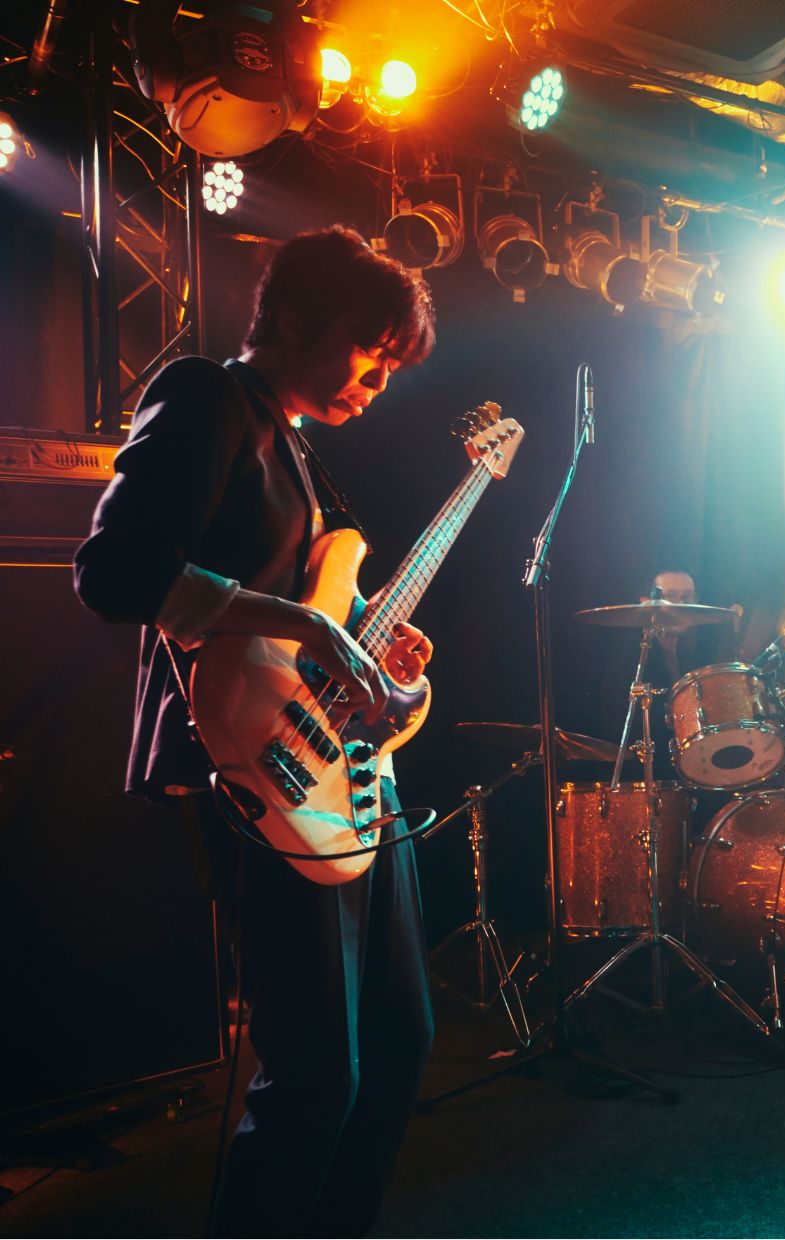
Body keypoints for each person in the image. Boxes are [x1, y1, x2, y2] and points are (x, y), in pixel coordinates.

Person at [73, 226, 439, 1234]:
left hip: (346, 778)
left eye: (390, 367)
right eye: (367, 351)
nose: (375, 383)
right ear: (288, 319)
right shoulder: (205, 397)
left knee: (401, 1043)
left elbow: (323, 655)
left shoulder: (305, 456)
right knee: (318, 1069)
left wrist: (384, 683)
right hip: (249, 767)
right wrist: (306, 621)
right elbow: (113, 572)